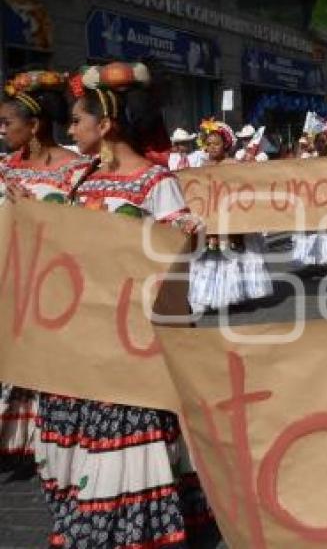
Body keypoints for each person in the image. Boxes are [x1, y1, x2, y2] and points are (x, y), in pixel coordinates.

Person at [31, 61, 218, 547]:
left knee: (122, 427)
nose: (70, 129)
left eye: (77, 120)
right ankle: (83, 516)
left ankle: (122, 528)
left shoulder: (155, 183)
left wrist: (185, 237)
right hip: (79, 329)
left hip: (128, 333)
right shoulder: (81, 179)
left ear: (105, 124)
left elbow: (181, 254)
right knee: (72, 431)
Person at [0, 71, 90, 471]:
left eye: (7, 123)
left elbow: (85, 230)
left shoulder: (74, 169)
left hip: (54, 283)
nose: (1, 131)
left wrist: (34, 213)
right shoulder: (5, 167)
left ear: (34, 126)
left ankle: (51, 438)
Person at [189, 118, 273, 311]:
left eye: (216, 143)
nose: (212, 148)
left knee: (231, 254)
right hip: (210, 219)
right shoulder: (200, 166)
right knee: (210, 256)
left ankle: (231, 294)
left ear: (225, 144)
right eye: (208, 144)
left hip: (231, 218)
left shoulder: (233, 164)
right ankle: (208, 294)